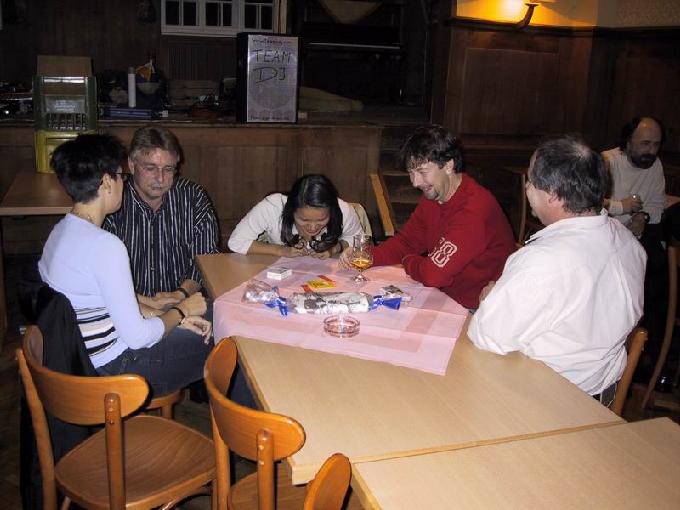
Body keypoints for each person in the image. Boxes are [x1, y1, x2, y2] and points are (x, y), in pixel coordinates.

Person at [468, 135, 646, 406]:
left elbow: (486, 336)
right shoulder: (628, 241)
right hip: (603, 394)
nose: (526, 187)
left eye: (531, 181)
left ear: (551, 194)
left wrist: (489, 301)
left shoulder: (543, 261)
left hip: (550, 402)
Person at [39, 134, 213, 396]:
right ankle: (240, 416)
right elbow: (139, 337)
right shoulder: (105, 246)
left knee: (215, 316)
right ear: (107, 182)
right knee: (231, 334)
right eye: (121, 176)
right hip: (117, 372)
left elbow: (106, 302)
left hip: (81, 360)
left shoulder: (61, 231)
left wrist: (174, 317)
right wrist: (180, 312)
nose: (124, 183)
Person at [341, 125, 515, 310]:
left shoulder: (474, 209)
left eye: (422, 172)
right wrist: (366, 255)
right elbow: (407, 242)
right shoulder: (435, 197)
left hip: (475, 308)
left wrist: (408, 260)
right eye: (411, 172)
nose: (415, 182)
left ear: (448, 165)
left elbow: (433, 275)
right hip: (444, 297)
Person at [103, 126, 219, 313]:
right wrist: (147, 305)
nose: (160, 178)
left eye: (168, 169)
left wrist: (181, 293)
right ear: (131, 164)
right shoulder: (112, 202)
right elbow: (103, 275)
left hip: (185, 302)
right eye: (150, 168)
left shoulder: (193, 197)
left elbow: (207, 258)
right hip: (127, 308)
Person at [603, 117, 667, 366]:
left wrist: (643, 216)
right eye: (645, 144)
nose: (651, 151)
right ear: (628, 142)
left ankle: (648, 357)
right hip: (608, 238)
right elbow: (591, 203)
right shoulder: (607, 162)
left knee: (657, 279)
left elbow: (657, 205)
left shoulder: (655, 166)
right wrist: (622, 207)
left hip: (635, 241)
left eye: (656, 145)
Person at [228, 173, 364, 258]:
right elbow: (236, 242)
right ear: (291, 210)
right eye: (304, 220)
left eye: (321, 220)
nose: (313, 227)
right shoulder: (273, 207)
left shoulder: (343, 209)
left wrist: (334, 249)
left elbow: (360, 241)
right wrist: (281, 250)